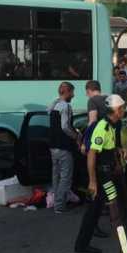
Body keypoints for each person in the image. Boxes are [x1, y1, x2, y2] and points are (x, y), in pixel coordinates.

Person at [75, 95, 127, 253]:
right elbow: (91, 155)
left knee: (94, 210)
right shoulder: (102, 127)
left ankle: (81, 245)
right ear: (117, 110)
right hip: (104, 176)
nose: (124, 110)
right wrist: (92, 181)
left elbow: (114, 146)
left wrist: (120, 157)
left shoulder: (115, 124)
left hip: (113, 172)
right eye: (123, 108)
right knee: (117, 214)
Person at [49, 82, 79, 214]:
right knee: (66, 176)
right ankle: (60, 205)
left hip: (53, 146)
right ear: (67, 92)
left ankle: (56, 201)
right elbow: (65, 126)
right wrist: (76, 136)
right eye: (72, 92)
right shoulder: (65, 106)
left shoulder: (54, 104)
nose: (73, 95)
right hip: (63, 146)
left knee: (56, 175)